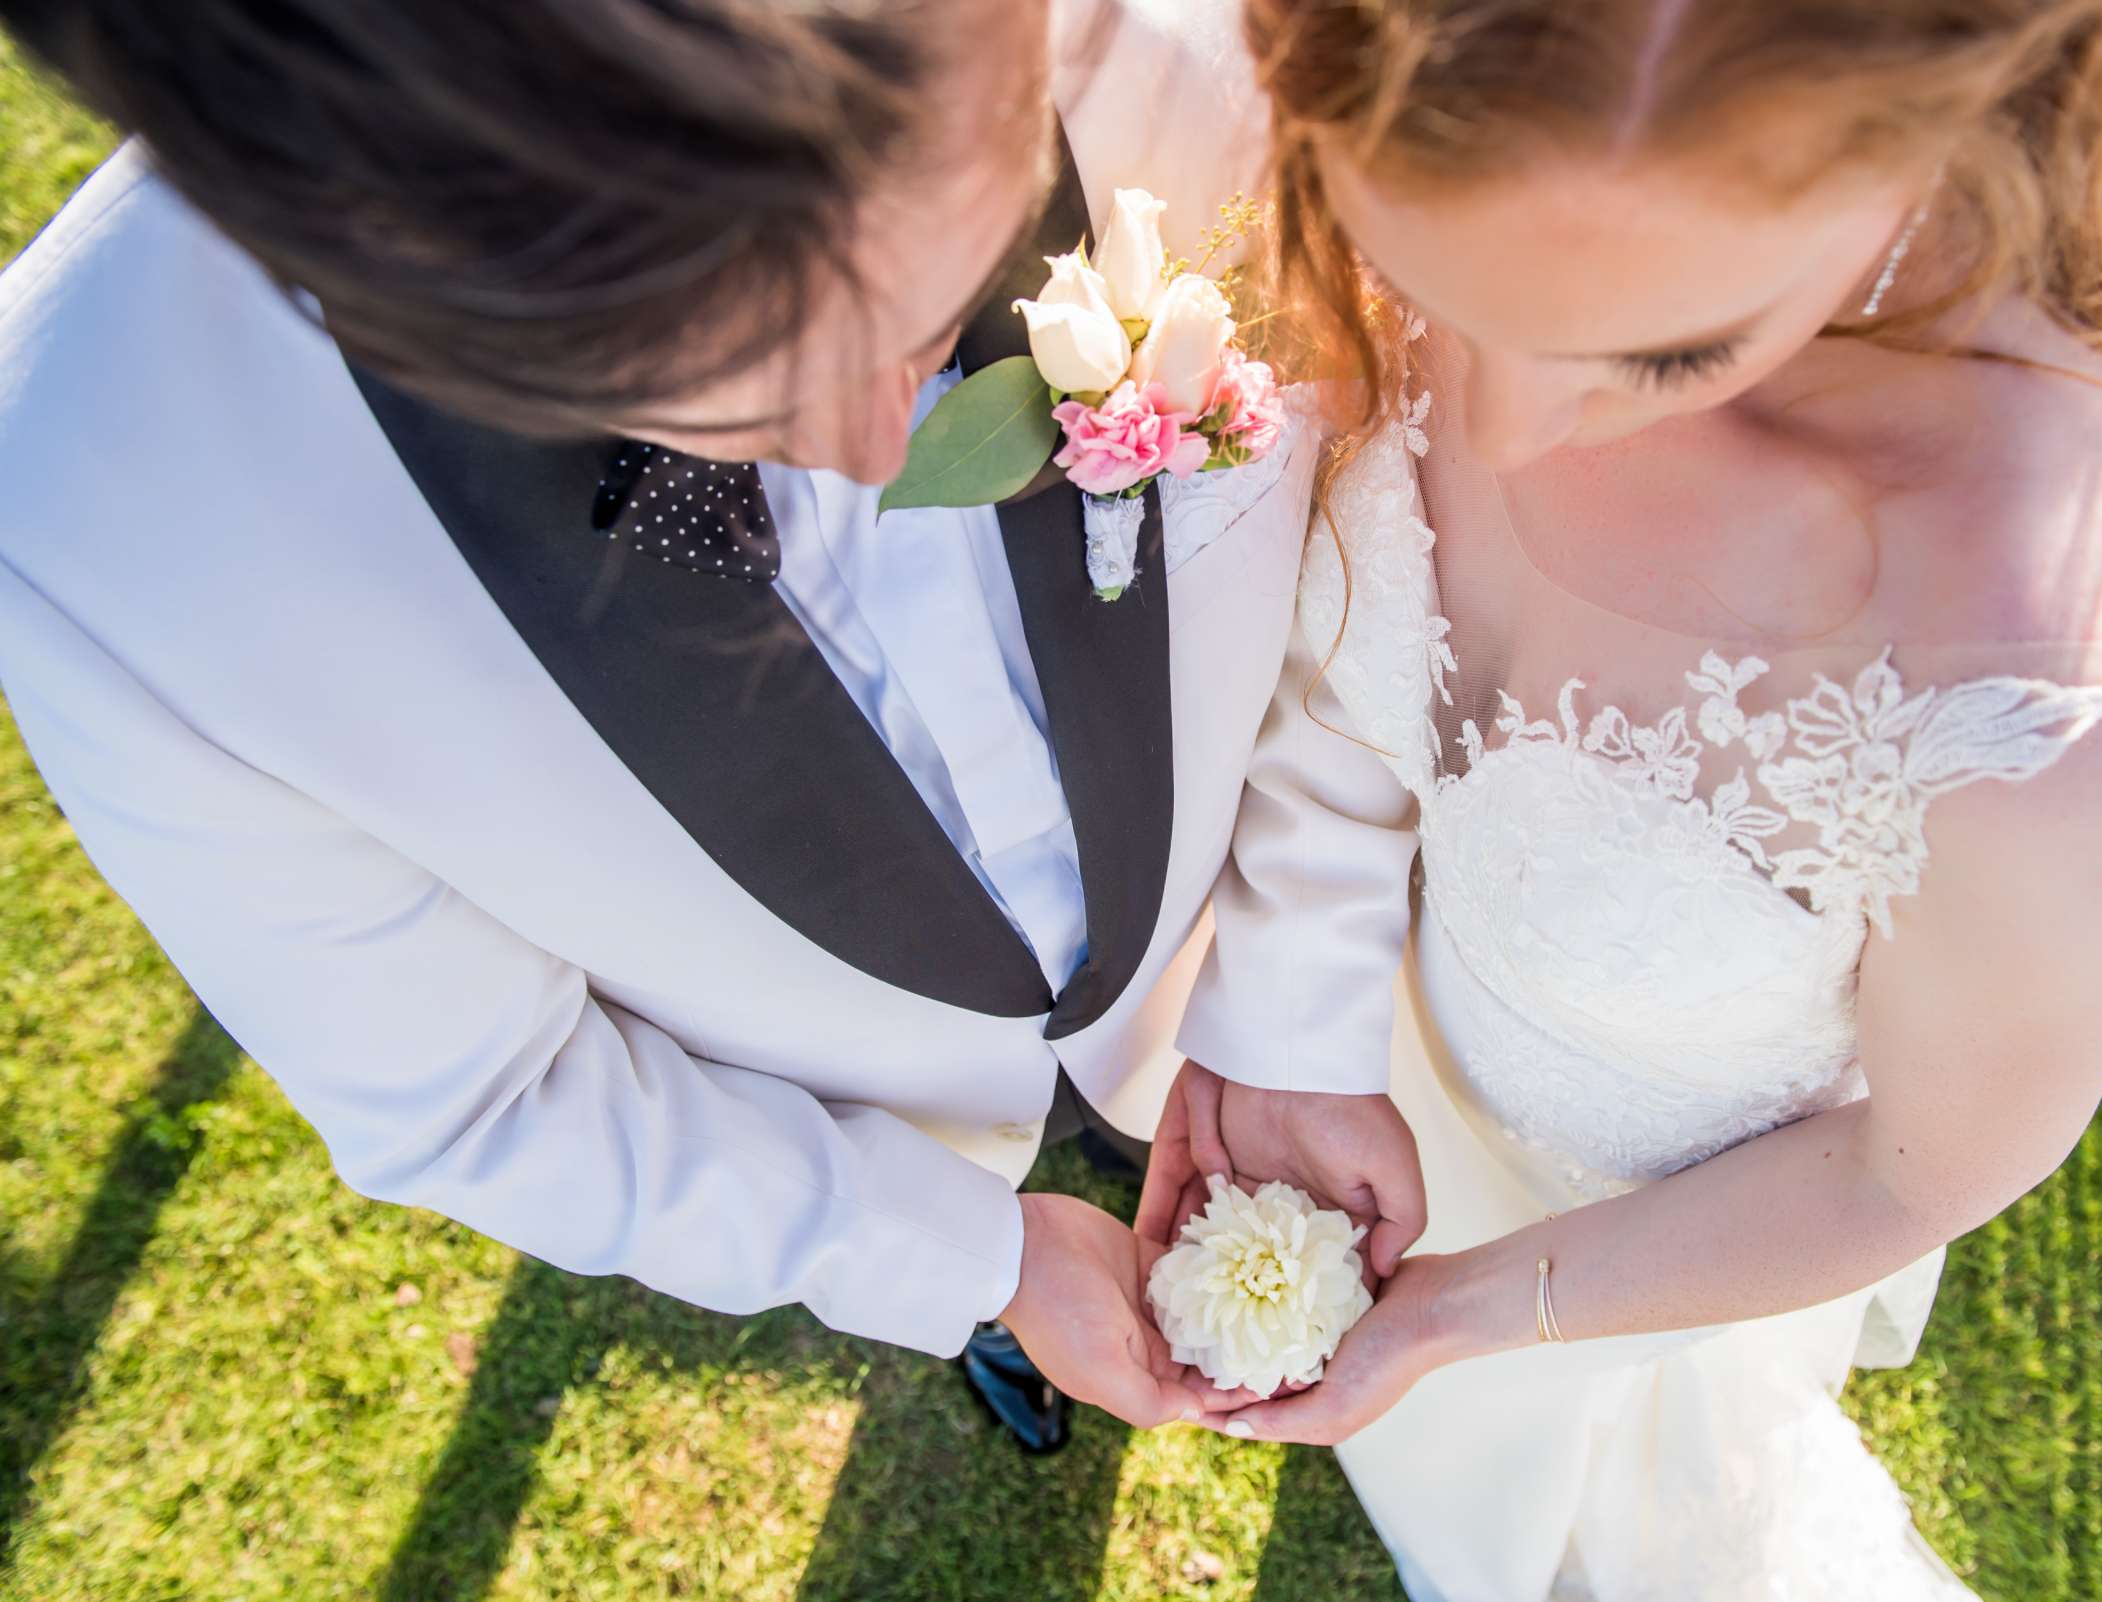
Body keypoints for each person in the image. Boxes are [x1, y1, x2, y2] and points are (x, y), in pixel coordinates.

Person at [0, 0, 1425, 1456]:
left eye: (929, 325)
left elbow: (1369, 492)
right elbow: (495, 1097)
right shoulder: (105, 533)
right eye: (752, 404)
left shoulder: (1211, 42)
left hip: (1210, 973)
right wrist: (964, 1260)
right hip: (881, 1130)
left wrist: (1296, 1000)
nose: (894, 453)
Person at [1151, 0, 2102, 1593]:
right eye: (1434, 284)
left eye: (1668, 351)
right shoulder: (1468, 120)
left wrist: (1471, 1308)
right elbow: (1351, 679)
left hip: (1636, 1227)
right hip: (1392, 1055)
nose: (1500, 428)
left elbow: (1908, 1171)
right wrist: (1296, 1021)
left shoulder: (2036, 724)